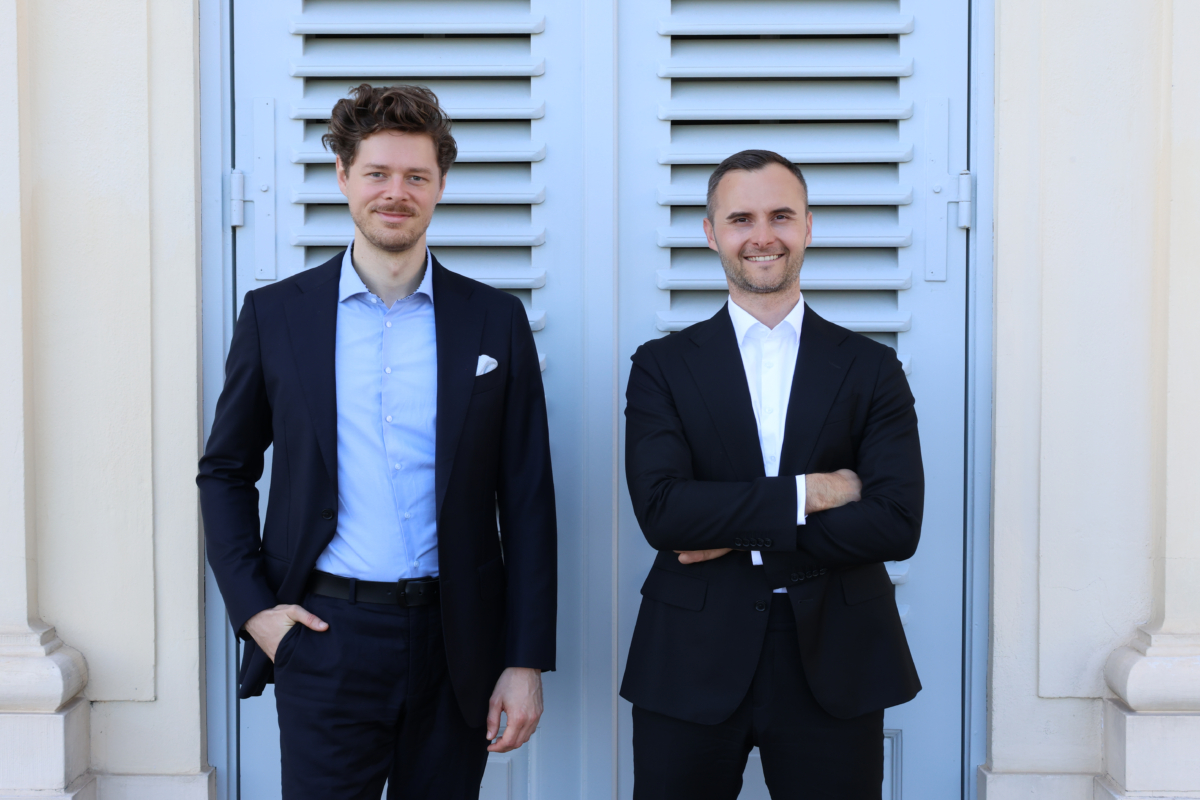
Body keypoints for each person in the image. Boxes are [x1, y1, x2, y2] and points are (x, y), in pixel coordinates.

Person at [197, 83, 557, 799]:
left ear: (441, 185)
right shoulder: (275, 315)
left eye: (416, 176)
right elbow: (226, 470)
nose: (397, 193)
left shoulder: (495, 320)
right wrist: (256, 613)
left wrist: (524, 660)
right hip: (325, 636)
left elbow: (527, 496)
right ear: (343, 176)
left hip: (460, 642)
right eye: (378, 173)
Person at [621, 149, 923, 799]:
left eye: (781, 216)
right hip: (690, 654)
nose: (763, 236)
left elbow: (896, 524)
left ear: (808, 227)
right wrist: (812, 493)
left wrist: (729, 530)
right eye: (741, 219)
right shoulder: (660, 367)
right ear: (712, 233)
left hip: (836, 653)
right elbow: (665, 514)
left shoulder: (872, 368)